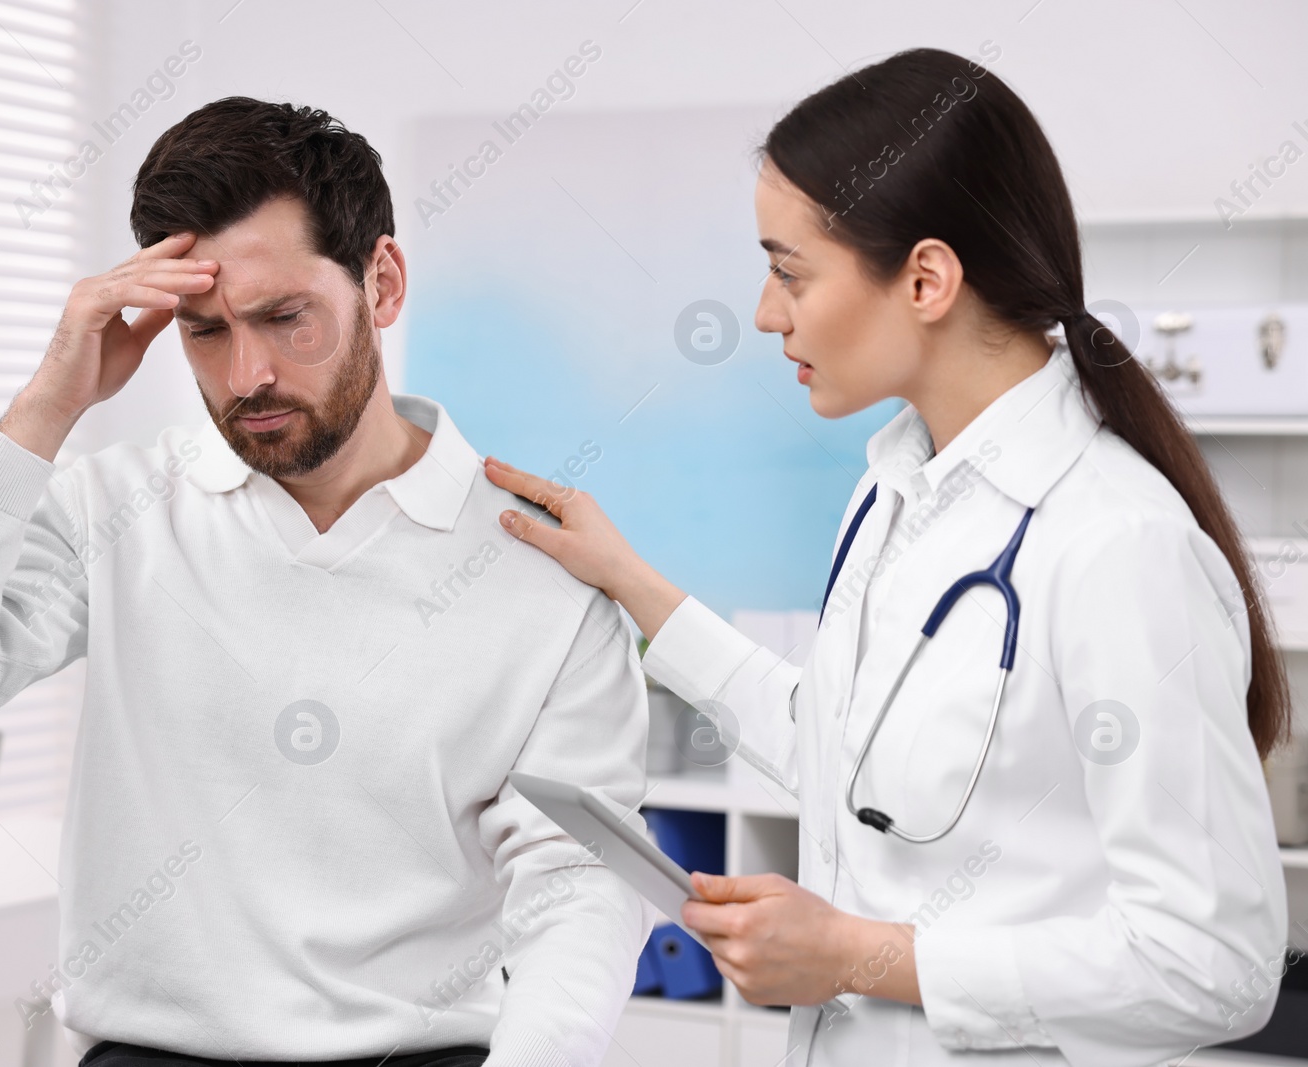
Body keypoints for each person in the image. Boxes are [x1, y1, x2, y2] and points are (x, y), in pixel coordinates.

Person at [484, 47, 1291, 1065]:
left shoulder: (1116, 545)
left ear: (925, 277)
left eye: (788, 271)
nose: (764, 311)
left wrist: (862, 957)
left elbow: (1213, 962)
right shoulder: (888, 487)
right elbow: (840, 745)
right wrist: (631, 583)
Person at [0, 98, 653, 1067]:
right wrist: (47, 406)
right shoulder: (118, 508)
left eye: (283, 317)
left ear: (380, 282)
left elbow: (576, 878)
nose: (246, 373)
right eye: (204, 330)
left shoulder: (533, 556)